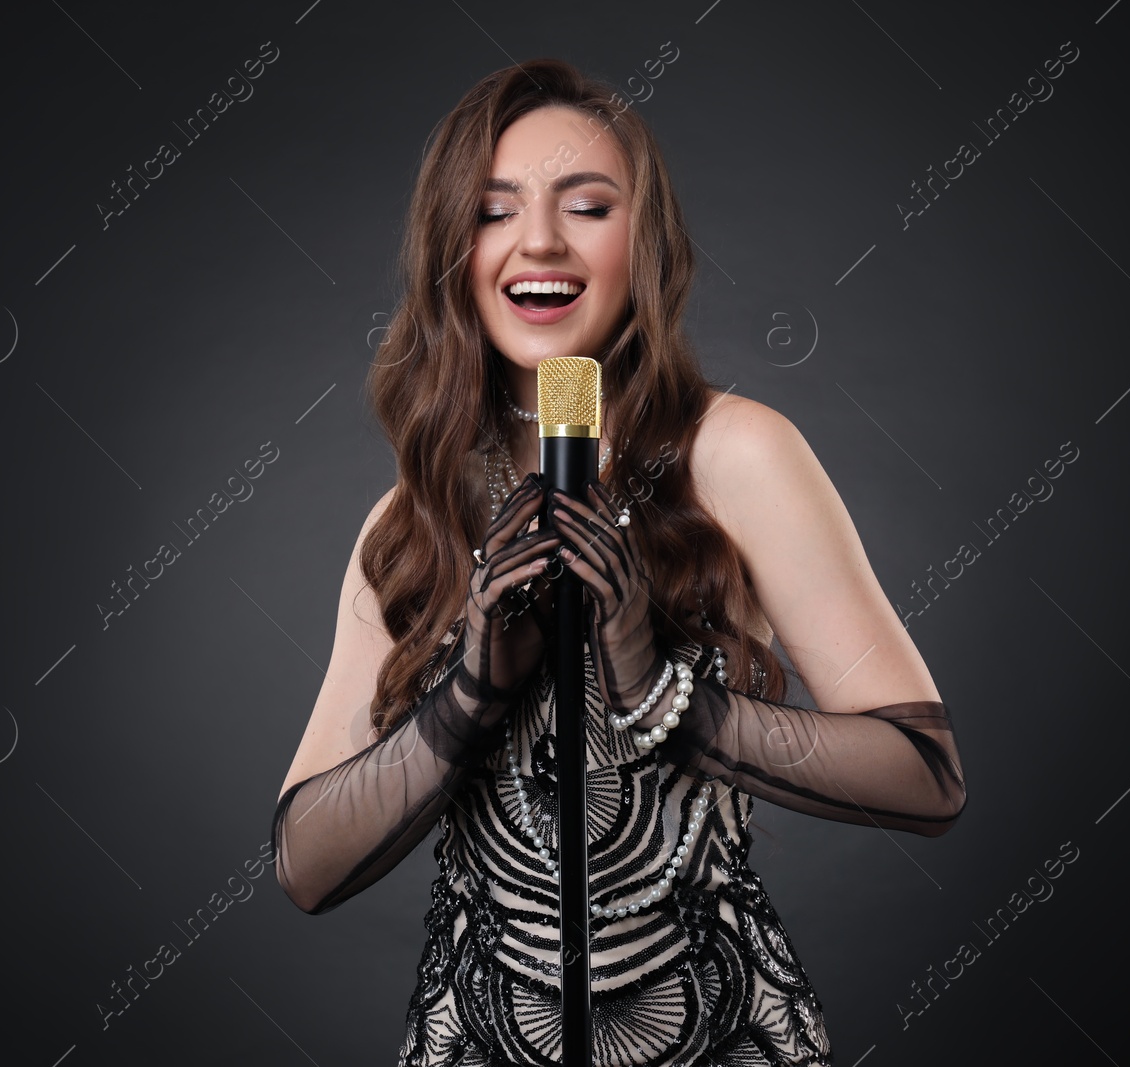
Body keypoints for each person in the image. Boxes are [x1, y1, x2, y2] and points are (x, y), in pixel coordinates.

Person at [271, 58, 968, 1067]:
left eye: (586, 206)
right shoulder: (416, 512)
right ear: (451, 250)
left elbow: (927, 773)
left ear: (642, 243)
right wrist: (470, 692)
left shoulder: (737, 452)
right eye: (492, 210)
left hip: (720, 1034)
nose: (539, 241)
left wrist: (659, 696)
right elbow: (304, 857)